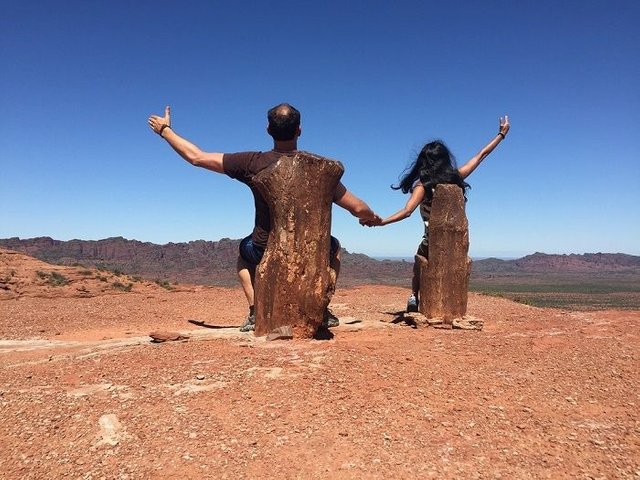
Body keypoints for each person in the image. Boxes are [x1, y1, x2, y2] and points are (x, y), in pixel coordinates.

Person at [148, 103, 381, 330]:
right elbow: (358, 208)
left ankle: (254, 311)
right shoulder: (318, 168)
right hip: (311, 248)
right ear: (299, 129)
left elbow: (196, 157)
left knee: (243, 252)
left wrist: (165, 130)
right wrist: (371, 218)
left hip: (263, 247)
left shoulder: (252, 163)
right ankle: (323, 309)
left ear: (268, 130)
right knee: (335, 246)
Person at [362, 116, 510, 312]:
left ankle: (414, 296)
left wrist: (382, 222)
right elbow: (481, 155)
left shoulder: (423, 185)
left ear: (425, 162)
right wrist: (501, 134)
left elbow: (407, 211)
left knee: (419, 263)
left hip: (432, 239)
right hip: (459, 239)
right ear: (445, 159)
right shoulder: (456, 177)